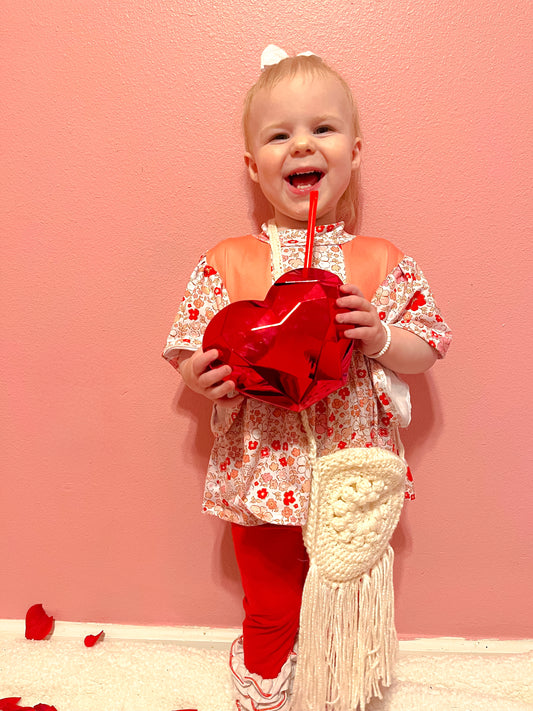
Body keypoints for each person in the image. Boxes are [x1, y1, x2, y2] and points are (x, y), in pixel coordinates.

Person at [163, 45, 451, 711]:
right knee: (268, 589)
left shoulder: (379, 261)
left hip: (349, 468)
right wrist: (200, 373)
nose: (303, 144)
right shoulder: (228, 260)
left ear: (354, 150)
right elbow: (186, 343)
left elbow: (428, 344)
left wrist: (378, 334)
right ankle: (265, 667)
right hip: (261, 468)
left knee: (342, 579)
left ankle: (336, 671)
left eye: (322, 129)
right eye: (279, 134)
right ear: (253, 166)